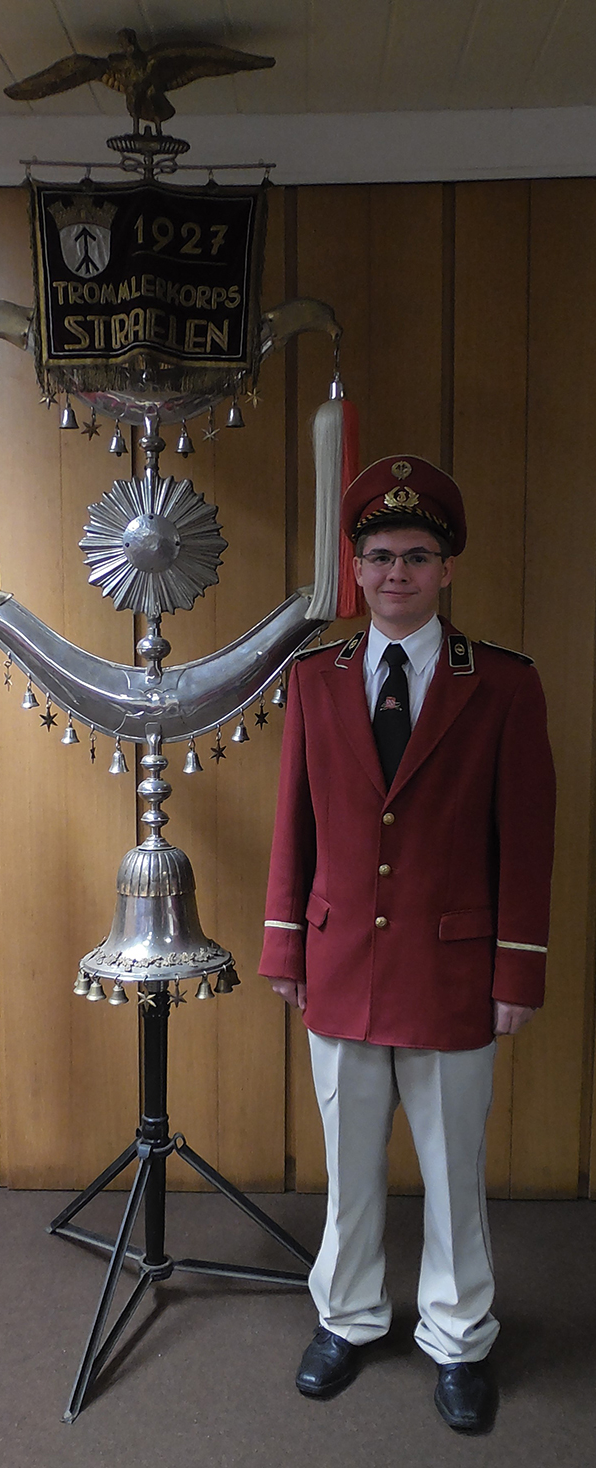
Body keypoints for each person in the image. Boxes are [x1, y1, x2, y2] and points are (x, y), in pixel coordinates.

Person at [259, 455, 556, 1434]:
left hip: (453, 973)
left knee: (453, 1174)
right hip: (341, 965)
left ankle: (458, 1337)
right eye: (381, 556)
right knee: (350, 1172)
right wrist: (284, 948)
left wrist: (517, 971)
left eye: (417, 556)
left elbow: (528, 839)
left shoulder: (503, 685)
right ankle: (346, 1316)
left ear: (447, 568)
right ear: (356, 568)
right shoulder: (315, 681)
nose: (398, 573)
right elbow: (295, 825)